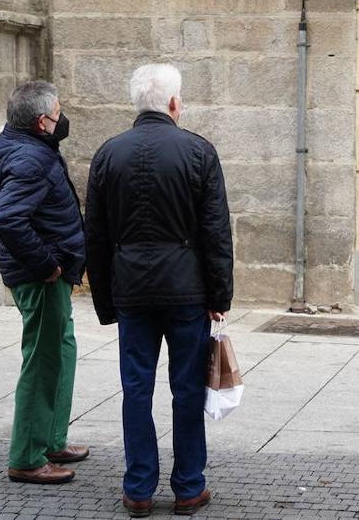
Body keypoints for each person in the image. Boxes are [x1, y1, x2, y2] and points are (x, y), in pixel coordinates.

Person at [84, 64, 233, 518]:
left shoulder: (108, 154)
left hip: (131, 288)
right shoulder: (198, 151)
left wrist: (105, 302)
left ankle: (138, 489)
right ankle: (189, 487)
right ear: (173, 104)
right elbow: (216, 232)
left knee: (135, 388)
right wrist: (219, 296)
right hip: (185, 289)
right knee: (187, 388)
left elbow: (96, 235)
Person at [0, 80, 88, 485]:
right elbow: (7, 218)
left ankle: (52, 439)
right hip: (39, 275)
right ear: (43, 122)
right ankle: (27, 456)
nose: (63, 120)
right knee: (43, 361)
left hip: (46, 272)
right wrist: (46, 265)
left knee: (60, 350)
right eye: (59, 114)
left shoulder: (19, 147)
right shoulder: (31, 159)